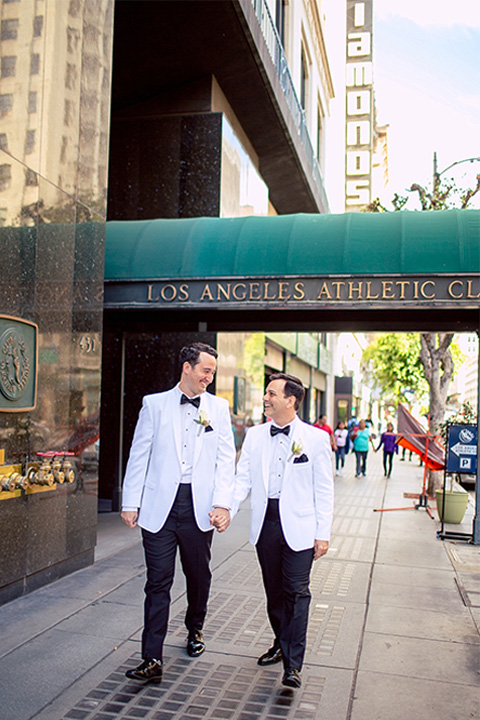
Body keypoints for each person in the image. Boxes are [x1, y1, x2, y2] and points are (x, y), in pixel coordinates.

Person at [121, 342, 236, 683]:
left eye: (213, 372)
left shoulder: (218, 407)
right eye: (205, 370)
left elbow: (225, 460)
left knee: (198, 576)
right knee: (158, 582)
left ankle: (194, 629)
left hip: (198, 507)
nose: (209, 378)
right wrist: (131, 501)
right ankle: (151, 658)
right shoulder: (154, 405)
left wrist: (222, 503)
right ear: (187, 367)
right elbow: (139, 453)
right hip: (159, 508)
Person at [232, 373, 334, 689]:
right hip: (266, 524)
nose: (266, 398)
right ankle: (281, 641)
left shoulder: (315, 439)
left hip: (301, 527)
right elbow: (242, 480)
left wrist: (323, 532)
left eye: (272, 393)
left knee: (297, 592)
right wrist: (227, 509)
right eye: (266, 392)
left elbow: (325, 489)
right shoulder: (254, 435)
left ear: (290, 400)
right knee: (274, 593)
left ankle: (293, 664)